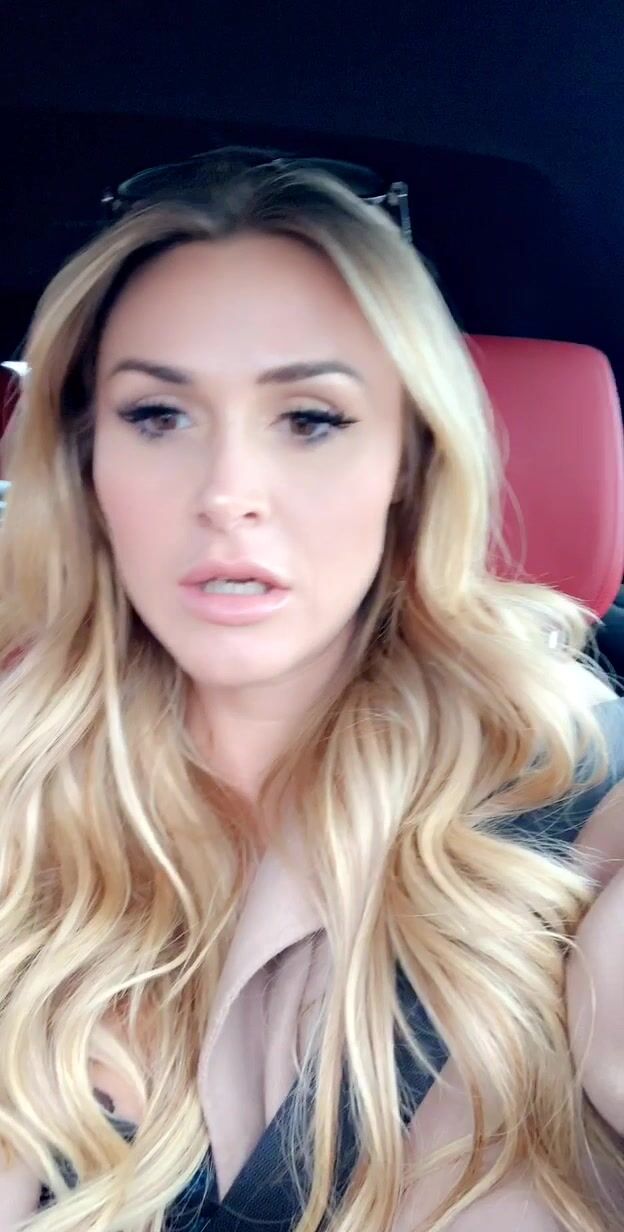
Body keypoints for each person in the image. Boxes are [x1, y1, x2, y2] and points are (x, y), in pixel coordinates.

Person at [0, 147, 622, 1232]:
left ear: (409, 465)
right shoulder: (20, 788)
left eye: (311, 419)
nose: (228, 492)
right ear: (87, 467)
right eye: (158, 415)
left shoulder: (582, 793)